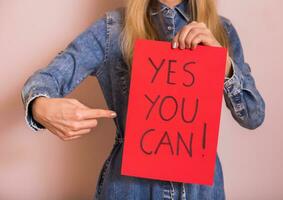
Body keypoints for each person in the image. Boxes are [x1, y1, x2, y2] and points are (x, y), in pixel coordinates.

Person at [21, 0, 265, 199]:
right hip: (129, 189)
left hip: (202, 191)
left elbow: (254, 116)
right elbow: (45, 80)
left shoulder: (223, 31)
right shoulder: (112, 29)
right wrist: (40, 107)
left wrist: (223, 65)